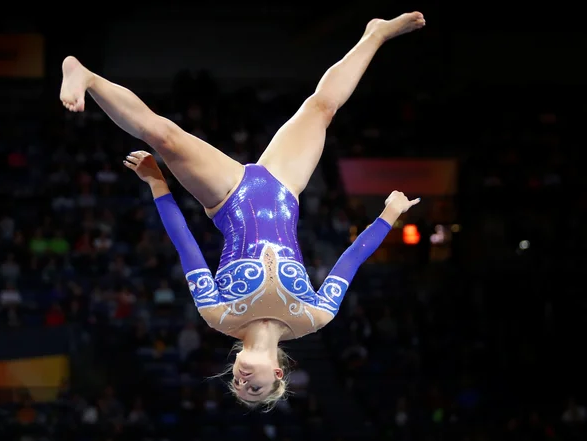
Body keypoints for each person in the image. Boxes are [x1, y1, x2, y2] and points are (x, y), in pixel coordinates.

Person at [60, 12, 426, 408]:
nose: (242, 382)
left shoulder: (219, 315)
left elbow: (186, 246)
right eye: (255, 388)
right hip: (285, 189)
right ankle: (375, 34)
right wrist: (389, 216)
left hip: (230, 196)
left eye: (237, 387)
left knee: (163, 136)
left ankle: (86, 75)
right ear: (279, 373)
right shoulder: (314, 317)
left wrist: (158, 184)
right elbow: (351, 258)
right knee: (321, 107)